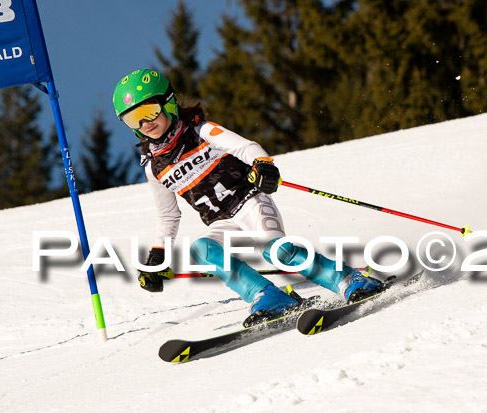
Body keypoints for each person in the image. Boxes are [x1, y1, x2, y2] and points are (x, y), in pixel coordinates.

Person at [112, 69, 382, 326]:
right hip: (221, 222)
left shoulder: (200, 132)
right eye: (133, 119)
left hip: (250, 202)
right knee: (201, 250)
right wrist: (158, 256)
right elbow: (168, 215)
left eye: (150, 111)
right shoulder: (153, 167)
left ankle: (350, 280)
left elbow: (246, 147)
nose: (145, 123)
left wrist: (262, 164)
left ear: (169, 103)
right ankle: (269, 297)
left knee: (279, 252)